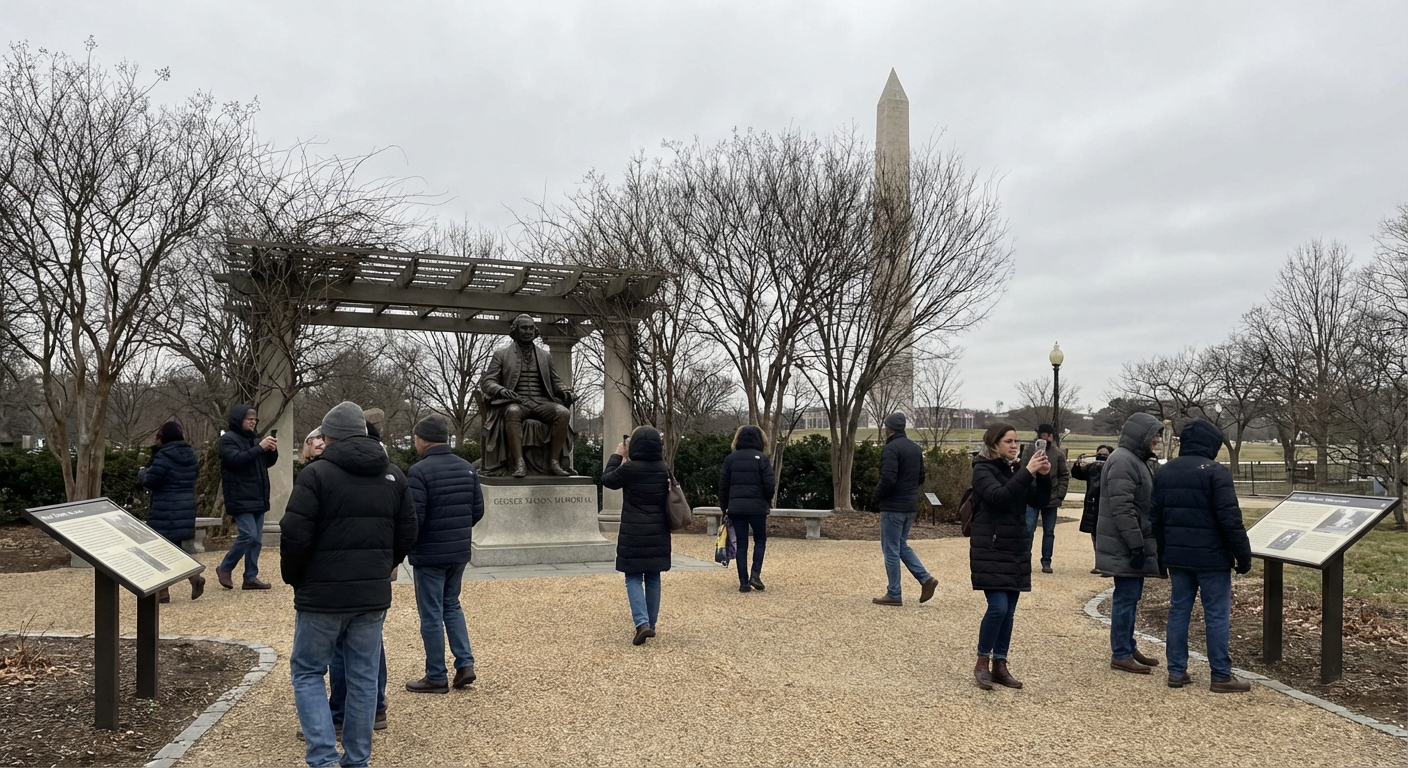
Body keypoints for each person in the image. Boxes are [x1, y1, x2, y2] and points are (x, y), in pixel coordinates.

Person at [282, 401, 417, 768]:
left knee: (309, 671)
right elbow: (408, 532)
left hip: (321, 594)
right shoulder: (393, 475)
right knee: (363, 678)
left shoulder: (315, 475)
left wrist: (296, 578)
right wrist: (386, 564)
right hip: (371, 594)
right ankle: (357, 760)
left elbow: (294, 534)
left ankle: (323, 757)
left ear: (329, 437)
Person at [1152, 419, 1254, 693]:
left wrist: (1162, 557)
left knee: (1178, 611)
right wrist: (1243, 555)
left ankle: (1176, 670)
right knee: (1216, 615)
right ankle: (1220, 674)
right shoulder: (1215, 472)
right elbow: (1230, 519)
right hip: (1212, 558)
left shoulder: (1165, 472)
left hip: (1177, 556)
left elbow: (1156, 520)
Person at [404, 414, 484, 693]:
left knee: (431, 614)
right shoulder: (467, 468)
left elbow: (416, 518)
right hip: (459, 551)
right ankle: (465, 664)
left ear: (423, 439)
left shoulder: (419, 471)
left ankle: (436, 675)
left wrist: (408, 546)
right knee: (451, 605)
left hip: (430, 553)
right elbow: (477, 511)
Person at [969, 422, 1051, 690]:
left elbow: (1037, 501)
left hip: (1016, 546)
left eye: (1016, 441)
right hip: (991, 547)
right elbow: (999, 496)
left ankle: (1000, 664)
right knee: (998, 607)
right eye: (1008, 441)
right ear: (994, 445)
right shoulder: (981, 470)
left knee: (1010, 612)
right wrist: (1027, 472)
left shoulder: (1015, 469)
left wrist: (1044, 476)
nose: (1014, 446)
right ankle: (982, 662)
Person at [1097, 413, 1165, 674]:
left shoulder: (1133, 459)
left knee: (1131, 597)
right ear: (1142, 435)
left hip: (1129, 541)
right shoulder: (1124, 461)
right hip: (1124, 544)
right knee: (1125, 598)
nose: (1158, 439)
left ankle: (1127, 644)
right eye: (1155, 434)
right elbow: (1122, 509)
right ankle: (1121, 652)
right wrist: (1136, 546)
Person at [602, 425, 671, 645]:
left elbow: (607, 479)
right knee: (653, 577)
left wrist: (617, 455)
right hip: (658, 530)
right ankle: (650, 623)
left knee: (633, 577)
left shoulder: (629, 469)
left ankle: (642, 624)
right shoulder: (663, 468)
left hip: (633, 530)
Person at [872, 412, 939, 606]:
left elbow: (888, 479)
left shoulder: (891, 449)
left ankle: (894, 593)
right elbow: (921, 477)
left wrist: (878, 494)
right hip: (910, 505)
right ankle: (925, 579)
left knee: (890, 549)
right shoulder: (915, 448)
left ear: (889, 429)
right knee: (900, 545)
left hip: (893, 506)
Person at [139, 419, 206, 603]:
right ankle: (193, 578)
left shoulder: (163, 456)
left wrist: (142, 472)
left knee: (160, 550)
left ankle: (163, 592)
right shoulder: (191, 455)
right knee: (174, 548)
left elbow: (150, 481)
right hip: (185, 507)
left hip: (164, 508)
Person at [216, 404, 277, 590]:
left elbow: (265, 463)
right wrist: (260, 448)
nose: (253, 422)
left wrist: (272, 450)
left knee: (257, 540)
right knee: (248, 535)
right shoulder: (227, 440)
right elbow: (236, 461)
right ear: (238, 420)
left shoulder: (252, 440)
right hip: (239, 496)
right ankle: (225, 568)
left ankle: (250, 577)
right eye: (249, 419)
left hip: (257, 496)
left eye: (255, 419)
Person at [718, 425, 777, 593]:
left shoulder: (731, 459)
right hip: (758, 508)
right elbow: (770, 485)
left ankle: (743, 582)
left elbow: (723, 486)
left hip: (736, 508)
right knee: (760, 540)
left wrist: (725, 508)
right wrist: (766, 501)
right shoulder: (762, 458)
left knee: (741, 544)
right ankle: (755, 574)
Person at [1018, 424, 1070, 574]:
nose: (1046, 438)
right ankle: (1024, 560)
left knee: (1049, 531)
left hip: (1051, 496)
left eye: (1049, 435)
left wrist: (1060, 494)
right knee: (1028, 529)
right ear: (1039, 435)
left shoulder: (1058, 453)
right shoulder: (1029, 449)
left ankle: (1046, 561)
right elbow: (1023, 470)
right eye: (1044, 435)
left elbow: (1064, 475)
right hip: (1031, 495)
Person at [1071, 444, 1114, 574]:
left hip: (1107, 503)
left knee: (1107, 535)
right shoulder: (1091, 468)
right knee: (1094, 533)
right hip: (1092, 504)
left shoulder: (1113, 468)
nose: (1101, 456)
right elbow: (1077, 474)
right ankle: (1099, 563)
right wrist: (1078, 463)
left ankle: (1108, 564)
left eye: (1105, 454)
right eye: (1099, 453)